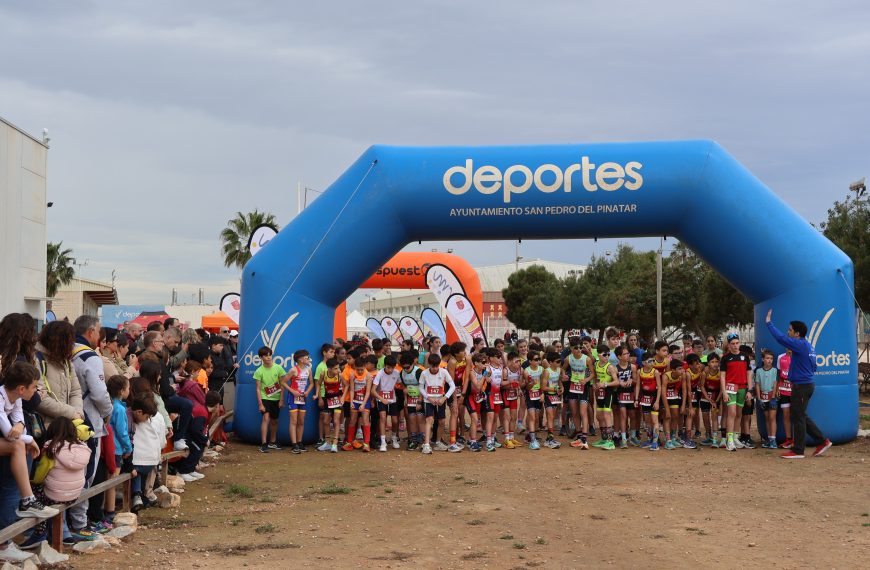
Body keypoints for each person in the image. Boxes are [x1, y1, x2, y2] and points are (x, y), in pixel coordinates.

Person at [765, 309, 832, 459]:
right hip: (805, 385)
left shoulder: (800, 344)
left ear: (797, 334)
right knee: (800, 415)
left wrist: (769, 324)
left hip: (801, 387)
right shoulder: (808, 346)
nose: (788, 332)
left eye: (790, 330)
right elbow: (814, 366)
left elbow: (781, 339)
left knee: (798, 417)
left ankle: (798, 450)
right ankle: (822, 441)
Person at [69, 315, 113, 540]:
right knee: (85, 475)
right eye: (98, 331)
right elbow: (99, 393)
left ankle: (70, 523)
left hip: (67, 419)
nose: (99, 335)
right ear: (91, 332)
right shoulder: (90, 357)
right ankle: (80, 523)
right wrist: (109, 412)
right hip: (89, 422)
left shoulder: (65, 352)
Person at [0, 362, 59, 519]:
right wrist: (30, 439)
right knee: (19, 444)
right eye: (34, 387)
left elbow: (20, 425)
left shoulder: (16, 398)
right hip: (6, 439)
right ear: (21, 389)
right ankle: (28, 500)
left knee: (20, 443)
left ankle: (28, 499)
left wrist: (20, 426)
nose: (37, 391)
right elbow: (9, 434)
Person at [29, 416, 92, 543]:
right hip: (74, 495)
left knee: (33, 495)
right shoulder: (82, 447)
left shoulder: (51, 448)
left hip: (54, 496)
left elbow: (39, 476)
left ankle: (39, 533)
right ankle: (63, 532)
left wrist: (31, 482)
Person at [35, 321, 84, 427]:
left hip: (67, 426)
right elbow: (40, 398)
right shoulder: (37, 360)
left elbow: (75, 391)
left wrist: (78, 413)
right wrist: (72, 413)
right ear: (58, 341)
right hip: (46, 427)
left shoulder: (66, 361)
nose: (72, 345)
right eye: (69, 341)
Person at [130, 396, 167, 512]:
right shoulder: (157, 417)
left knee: (136, 473)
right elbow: (161, 441)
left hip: (138, 459)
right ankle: (146, 496)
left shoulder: (131, 419)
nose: (148, 419)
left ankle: (137, 495)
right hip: (152, 459)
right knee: (145, 475)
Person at [719, 332, 754, 452]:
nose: (735, 346)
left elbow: (749, 374)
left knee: (739, 413)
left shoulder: (745, 356)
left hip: (743, 388)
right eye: (732, 344)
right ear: (728, 345)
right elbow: (722, 376)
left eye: (737, 343)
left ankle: (735, 437)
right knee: (732, 412)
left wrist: (750, 390)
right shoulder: (725, 358)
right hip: (730, 387)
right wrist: (724, 392)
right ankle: (729, 440)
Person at [418, 353, 455, 455]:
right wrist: (428, 398)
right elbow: (421, 387)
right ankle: (426, 445)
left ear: (439, 364)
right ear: (428, 364)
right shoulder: (424, 373)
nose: (434, 368)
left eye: (436, 366)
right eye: (432, 366)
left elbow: (452, 386)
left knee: (442, 421)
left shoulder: (444, 372)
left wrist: (444, 398)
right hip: (428, 401)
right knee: (429, 420)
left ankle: (438, 442)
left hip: (440, 400)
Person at [253, 346, 286, 453]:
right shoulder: (259, 371)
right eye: (265, 356)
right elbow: (258, 388)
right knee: (266, 419)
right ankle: (263, 444)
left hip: (276, 398)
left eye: (269, 355)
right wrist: (260, 404)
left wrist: (281, 400)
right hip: (264, 398)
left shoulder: (279, 368)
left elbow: (283, 385)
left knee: (275, 421)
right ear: (261, 358)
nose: (268, 357)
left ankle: (272, 442)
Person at [282, 349, 313, 454]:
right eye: (307, 357)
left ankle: (300, 443)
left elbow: (312, 383)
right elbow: (283, 382)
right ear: (300, 359)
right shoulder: (293, 370)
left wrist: (308, 392)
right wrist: (292, 391)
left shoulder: (308, 370)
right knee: (294, 421)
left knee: (301, 421)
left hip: (303, 398)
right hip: (293, 398)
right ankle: (294, 445)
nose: (309, 359)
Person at [342, 357, 373, 452]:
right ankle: (349, 442)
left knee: (365, 420)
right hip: (355, 400)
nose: (359, 371)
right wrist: (351, 402)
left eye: (361, 369)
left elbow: (368, 392)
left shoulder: (368, 376)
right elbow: (351, 389)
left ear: (364, 367)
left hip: (365, 400)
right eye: (358, 369)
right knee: (352, 420)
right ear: (355, 367)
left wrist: (363, 404)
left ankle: (366, 443)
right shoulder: (352, 375)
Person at [592, 344, 619, 450]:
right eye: (604, 355)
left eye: (608, 354)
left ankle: (610, 441)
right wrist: (595, 384)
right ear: (599, 355)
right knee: (599, 416)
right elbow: (595, 376)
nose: (607, 357)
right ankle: (604, 439)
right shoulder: (596, 364)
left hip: (608, 392)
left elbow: (617, 381)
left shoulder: (610, 367)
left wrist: (606, 384)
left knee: (607, 415)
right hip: (600, 393)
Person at [373, 355, 401, 452]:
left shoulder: (397, 373)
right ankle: (383, 442)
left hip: (392, 399)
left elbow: (400, 384)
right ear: (384, 365)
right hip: (381, 399)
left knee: (395, 421)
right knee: (383, 418)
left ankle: (394, 438)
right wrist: (381, 398)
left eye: (392, 368)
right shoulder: (379, 374)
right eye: (388, 367)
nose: (390, 370)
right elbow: (373, 390)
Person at [634, 352, 662, 451]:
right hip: (644, 398)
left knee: (654, 420)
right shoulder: (639, 371)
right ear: (643, 362)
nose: (652, 362)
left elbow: (659, 387)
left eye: (653, 360)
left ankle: (655, 442)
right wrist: (636, 399)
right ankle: (650, 439)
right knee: (647, 421)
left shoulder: (655, 372)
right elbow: (638, 385)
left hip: (654, 397)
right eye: (650, 361)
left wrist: (657, 401)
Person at [316, 358, 344, 453]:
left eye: (338, 368)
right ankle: (327, 443)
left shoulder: (340, 375)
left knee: (336, 421)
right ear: (329, 369)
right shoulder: (323, 374)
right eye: (335, 368)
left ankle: (335, 443)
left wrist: (343, 397)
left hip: (337, 400)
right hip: (327, 399)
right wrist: (319, 397)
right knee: (326, 421)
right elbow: (318, 384)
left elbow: (347, 385)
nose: (338, 370)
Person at [398, 353, 424, 450]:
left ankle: (423, 441)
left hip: (420, 400)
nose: (406, 369)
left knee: (420, 419)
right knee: (411, 420)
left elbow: (423, 387)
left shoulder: (419, 372)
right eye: (404, 367)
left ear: (413, 363)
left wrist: (419, 402)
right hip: (409, 400)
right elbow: (404, 386)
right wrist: (405, 399)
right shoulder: (402, 373)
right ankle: (413, 440)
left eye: (408, 367)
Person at [755, 349, 779, 449]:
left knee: (772, 417)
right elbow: (757, 385)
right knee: (767, 418)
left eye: (771, 358)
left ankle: (773, 440)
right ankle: (769, 439)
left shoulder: (774, 371)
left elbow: (775, 384)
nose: (769, 360)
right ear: (763, 359)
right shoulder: (759, 371)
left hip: (771, 397)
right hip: (763, 397)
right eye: (767, 358)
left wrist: (773, 397)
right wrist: (759, 399)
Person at [522, 350, 544, 450]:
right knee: (532, 416)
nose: (538, 361)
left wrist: (543, 394)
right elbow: (527, 387)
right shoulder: (526, 371)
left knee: (537, 417)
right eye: (536, 359)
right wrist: (532, 384)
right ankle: (533, 441)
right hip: (530, 395)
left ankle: (530, 435)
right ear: (530, 361)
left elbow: (544, 383)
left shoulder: (542, 369)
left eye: (539, 359)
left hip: (539, 395)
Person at [699, 353, 722, 447]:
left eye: (716, 362)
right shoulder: (705, 373)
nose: (715, 364)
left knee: (714, 417)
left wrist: (716, 400)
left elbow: (722, 388)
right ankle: (709, 436)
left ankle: (715, 440)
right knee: (705, 417)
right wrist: (708, 399)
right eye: (712, 362)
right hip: (705, 397)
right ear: (708, 363)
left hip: (716, 397)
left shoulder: (721, 373)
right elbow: (701, 386)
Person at [541, 352, 563, 449]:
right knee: (550, 416)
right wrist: (554, 389)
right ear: (550, 362)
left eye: (560, 361)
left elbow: (558, 381)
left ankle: (549, 439)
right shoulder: (547, 371)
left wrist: (562, 387)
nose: (559, 363)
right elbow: (543, 387)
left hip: (555, 396)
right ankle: (550, 439)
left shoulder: (558, 369)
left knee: (553, 416)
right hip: (548, 396)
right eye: (557, 362)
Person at [776, 349, 794, 449]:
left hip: (795, 391)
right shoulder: (780, 357)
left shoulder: (797, 356)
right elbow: (778, 374)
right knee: (786, 415)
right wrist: (778, 387)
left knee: (796, 415)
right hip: (783, 390)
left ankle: (797, 440)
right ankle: (788, 439)